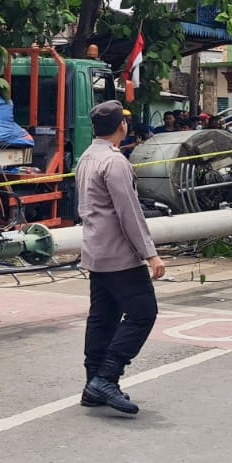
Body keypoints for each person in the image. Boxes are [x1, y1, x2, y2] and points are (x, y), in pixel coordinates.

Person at [75, 99, 165, 415]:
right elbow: (130, 213)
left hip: (96, 250)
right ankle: (107, 377)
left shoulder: (87, 158)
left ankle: (92, 385)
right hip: (119, 254)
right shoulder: (114, 162)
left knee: (103, 318)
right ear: (121, 127)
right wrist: (150, 255)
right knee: (143, 313)